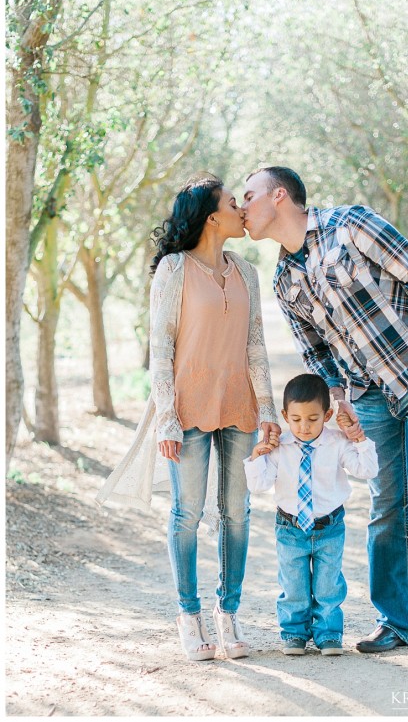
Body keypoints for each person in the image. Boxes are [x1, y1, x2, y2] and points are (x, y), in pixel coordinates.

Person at [241, 166, 408, 668]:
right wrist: (338, 397)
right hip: (369, 398)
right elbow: (315, 350)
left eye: (248, 195)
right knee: (387, 507)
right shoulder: (284, 280)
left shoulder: (350, 224)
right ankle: (399, 622)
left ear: (279, 196)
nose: (241, 207)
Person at [97, 174, 280, 662]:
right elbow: (161, 348)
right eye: (231, 202)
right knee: (187, 514)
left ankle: (228, 614)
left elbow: (256, 345)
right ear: (210, 216)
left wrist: (268, 409)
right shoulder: (173, 269)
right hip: (189, 407)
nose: (242, 208)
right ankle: (189, 615)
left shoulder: (245, 270)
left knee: (236, 516)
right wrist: (167, 418)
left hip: (239, 404)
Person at [244, 373, 378, 656]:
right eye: (296, 419)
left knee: (328, 584)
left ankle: (328, 634)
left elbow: (367, 471)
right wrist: (257, 456)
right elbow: (258, 485)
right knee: (293, 584)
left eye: (313, 419)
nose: (304, 427)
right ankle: (294, 634)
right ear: (285, 416)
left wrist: (359, 439)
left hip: (329, 526)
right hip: (290, 527)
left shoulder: (339, 443)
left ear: (327, 415)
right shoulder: (279, 447)